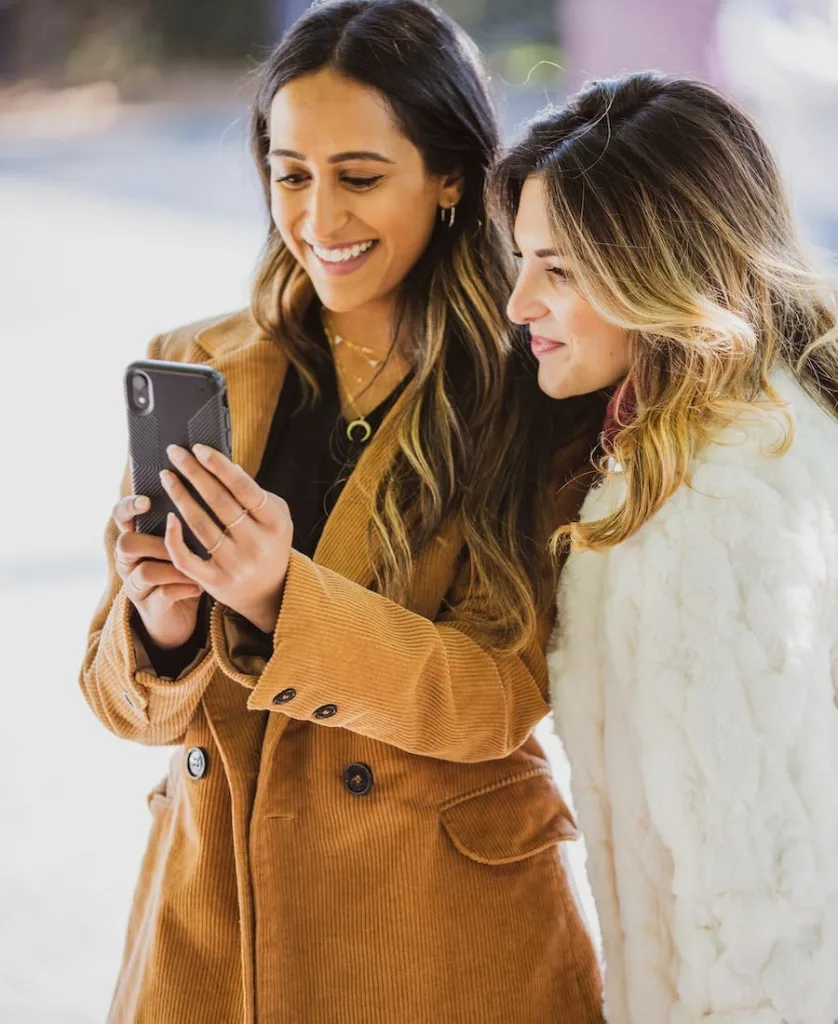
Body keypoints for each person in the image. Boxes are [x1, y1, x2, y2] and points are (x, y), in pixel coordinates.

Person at [79, 2, 607, 1021]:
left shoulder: (529, 384)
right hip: (211, 938)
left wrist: (284, 597)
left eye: (359, 178)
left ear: (449, 175)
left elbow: (502, 688)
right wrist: (162, 625)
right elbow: (118, 704)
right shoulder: (198, 363)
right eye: (290, 175)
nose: (319, 219)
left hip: (436, 939)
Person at [497, 70, 838, 1023]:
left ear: (662, 269)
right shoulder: (759, 424)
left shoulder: (711, 512)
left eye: (558, 269)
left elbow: (761, 909)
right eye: (523, 259)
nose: (519, 301)